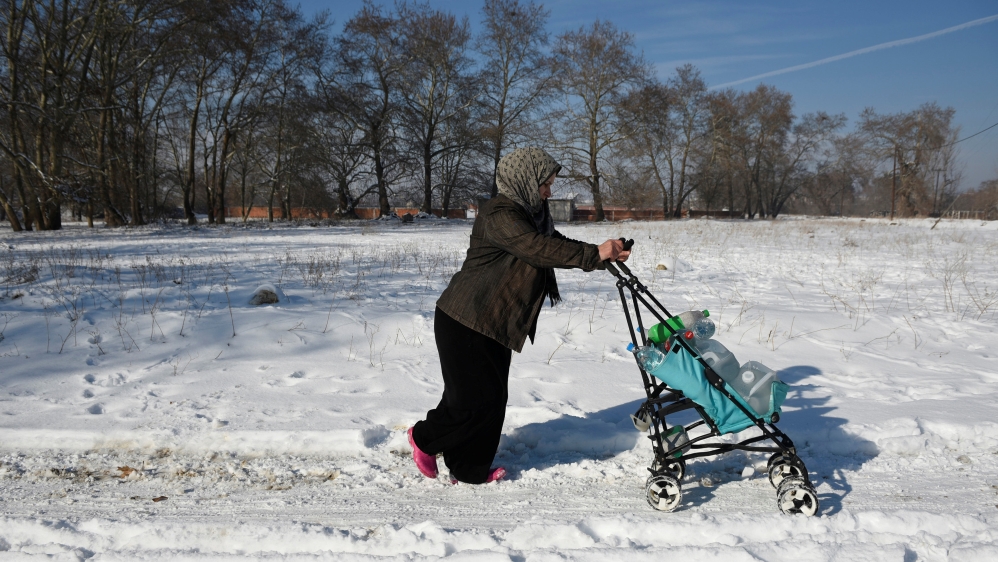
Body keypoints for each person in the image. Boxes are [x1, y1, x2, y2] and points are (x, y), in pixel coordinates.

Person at [408, 147, 630, 484]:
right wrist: (593, 254)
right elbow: (537, 248)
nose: (549, 192)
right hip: (465, 319)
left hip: (495, 320)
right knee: (474, 400)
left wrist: (602, 255)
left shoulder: (530, 214)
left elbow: (555, 243)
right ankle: (423, 438)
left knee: (491, 399)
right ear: (525, 179)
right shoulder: (500, 214)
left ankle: (468, 468)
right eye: (546, 184)